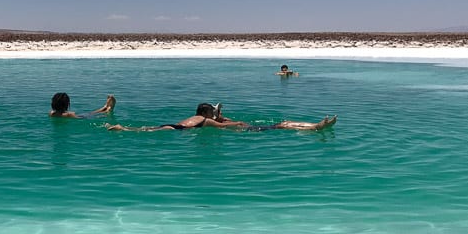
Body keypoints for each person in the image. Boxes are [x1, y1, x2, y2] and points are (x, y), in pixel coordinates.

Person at [105, 103, 335, 132]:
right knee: (282, 125)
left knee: (145, 130)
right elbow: (226, 125)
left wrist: (221, 115)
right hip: (178, 131)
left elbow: (219, 120)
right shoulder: (206, 121)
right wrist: (239, 123)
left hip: (172, 127)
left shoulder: (193, 117)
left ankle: (121, 127)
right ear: (207, 114)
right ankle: (315, 127)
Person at [50, 93, 116, 118]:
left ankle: (105, 107)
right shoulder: (69, 114)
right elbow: (79, 119)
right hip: (82, 117)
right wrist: (72, 114)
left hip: (81, 115)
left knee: (92, 113)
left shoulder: (51, 113)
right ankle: (108, 109)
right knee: (93, 114)